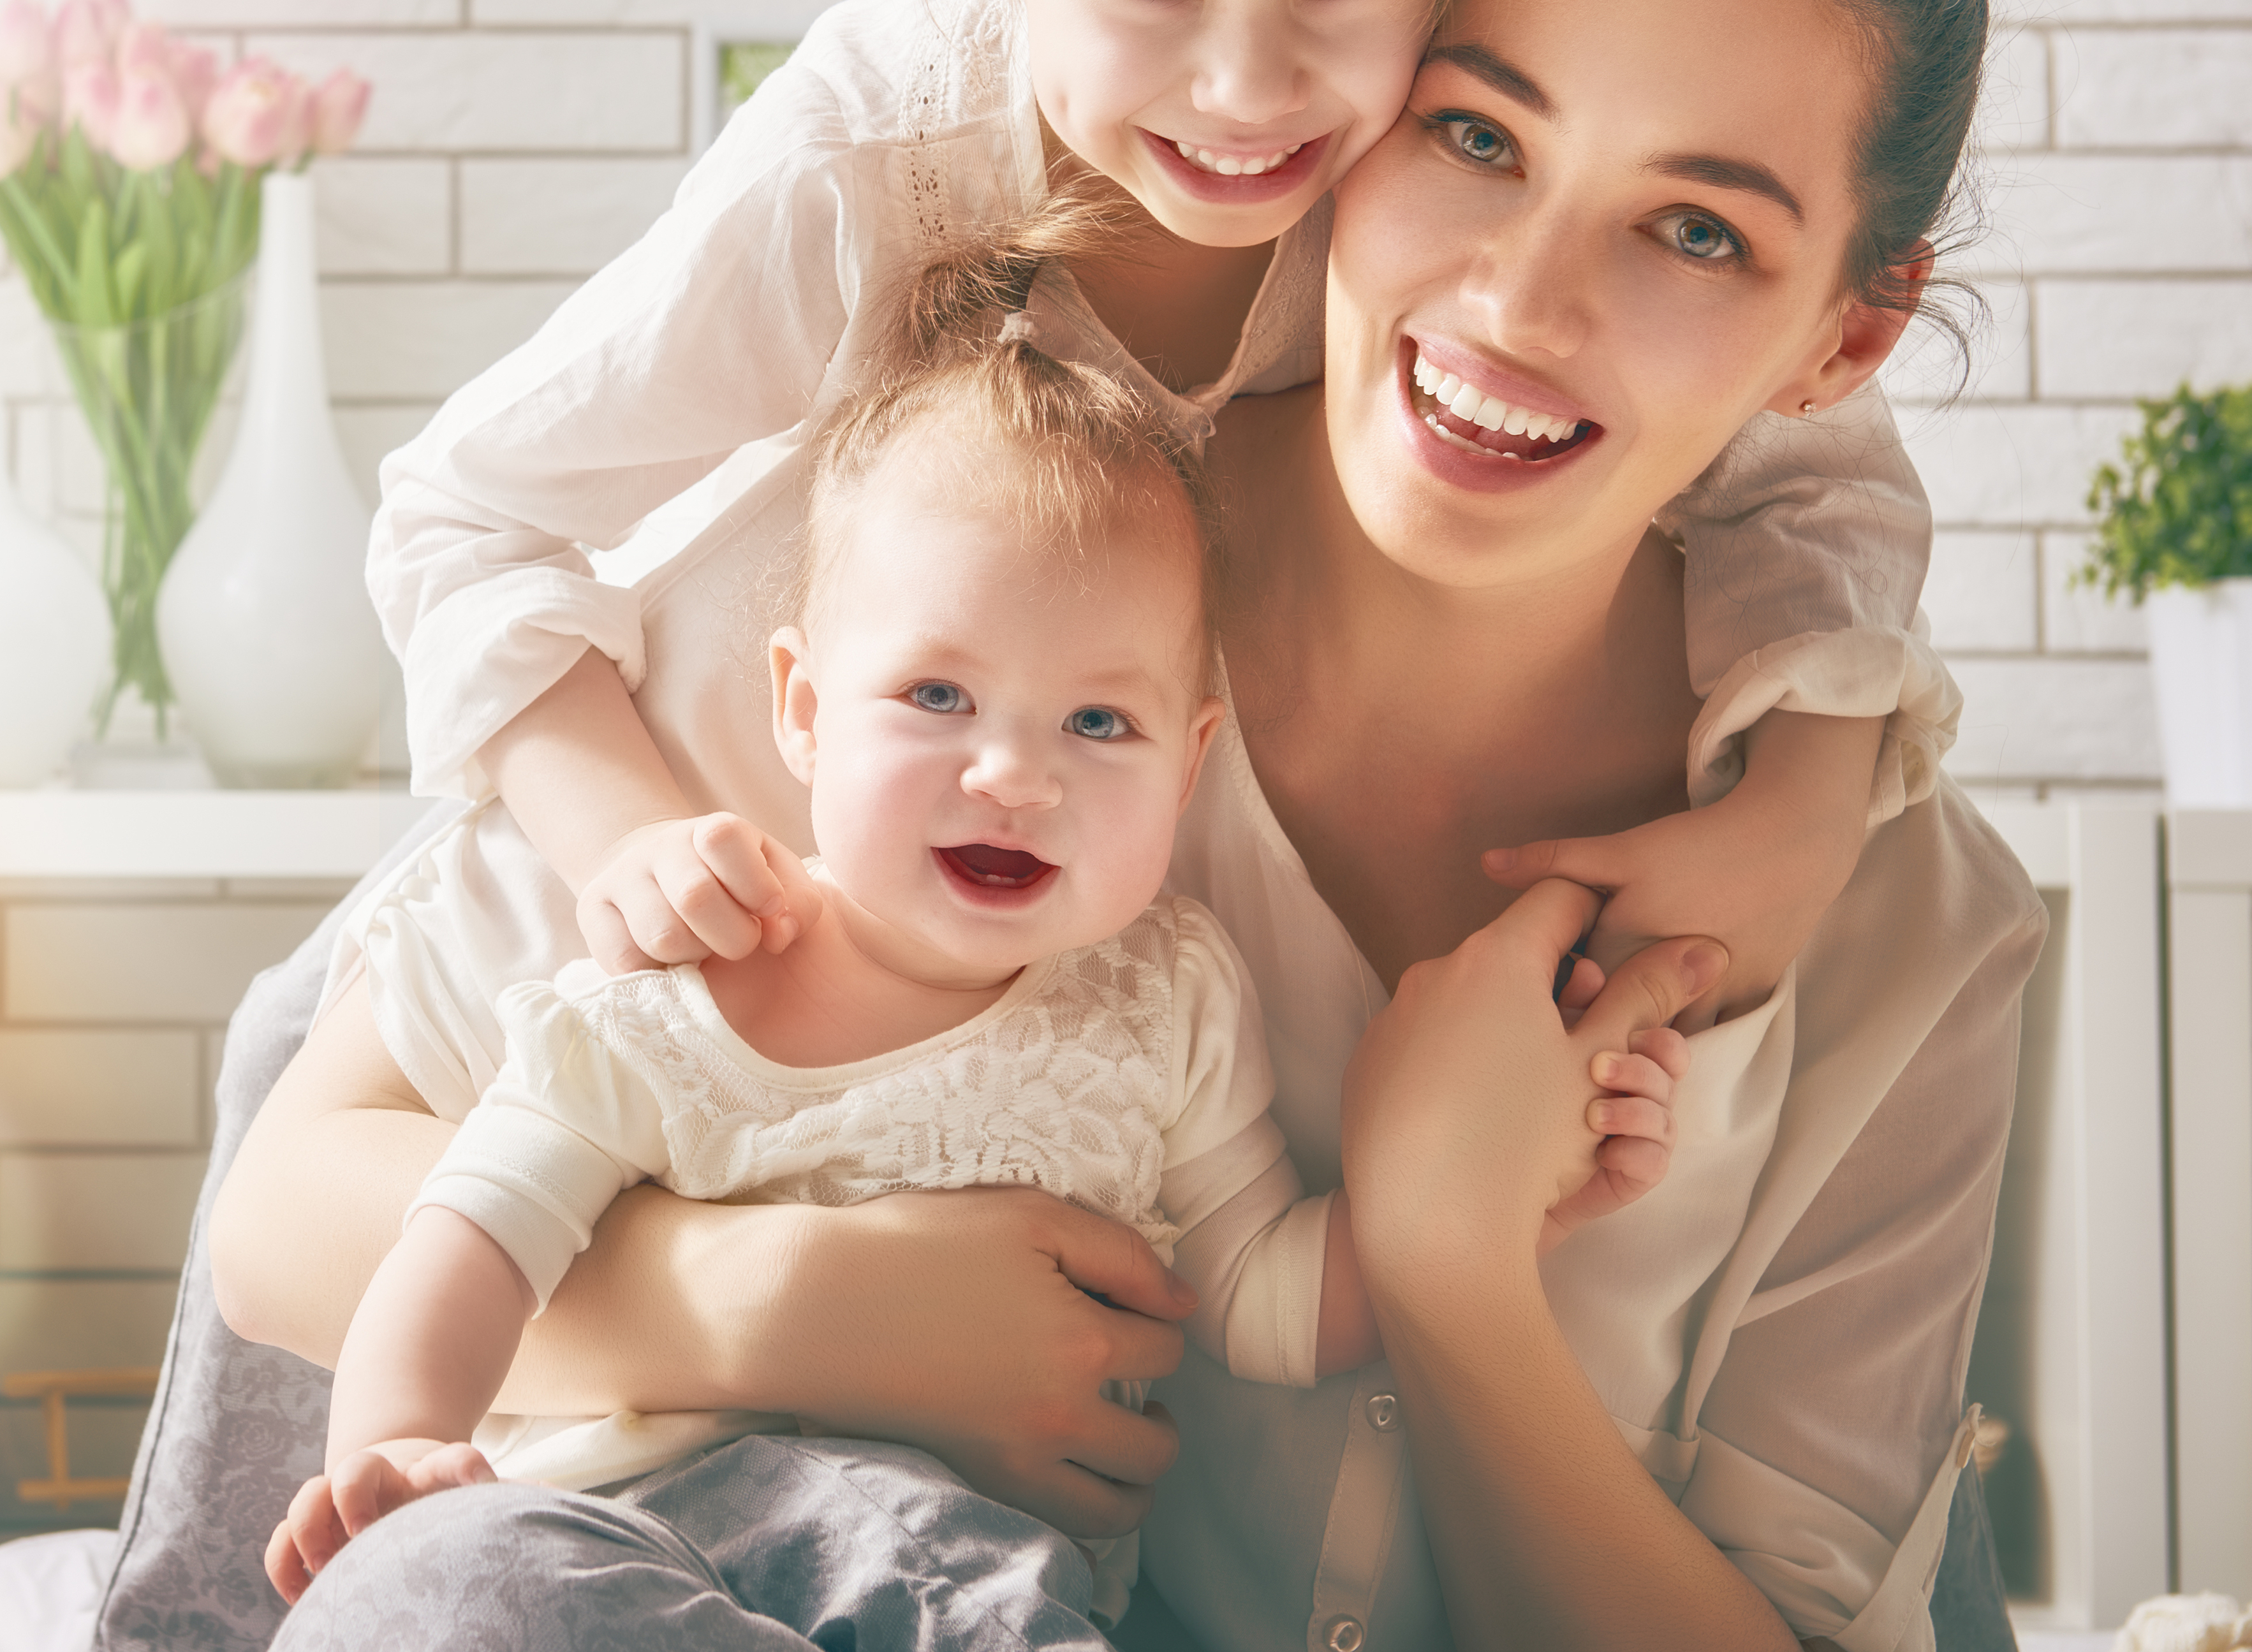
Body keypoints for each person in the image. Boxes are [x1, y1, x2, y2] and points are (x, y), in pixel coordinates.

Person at [214, 0, 2040, 1652]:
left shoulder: (1904, 926)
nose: (1521, 299)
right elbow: (296, 1196)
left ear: (1845, 340)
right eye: (1477, 134)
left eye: (1697, 228)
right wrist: (792, 1296)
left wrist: (1445, 1267)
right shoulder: (981, 625)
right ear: (1345, 117)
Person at [260, 291, 1688, 1635]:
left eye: (1097, 724)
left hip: (958, 1582)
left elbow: (1255, 1289)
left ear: (1188, 763)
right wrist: (394, 1453)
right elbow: (472, 1239)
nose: (1011, 774)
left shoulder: (1162, 1006)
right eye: (937, 696)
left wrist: (1505, 1211)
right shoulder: (682, 984)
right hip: (635, 1536)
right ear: (804, 711)